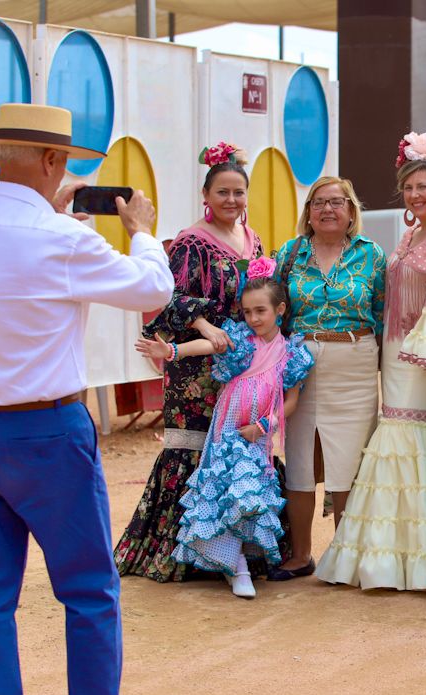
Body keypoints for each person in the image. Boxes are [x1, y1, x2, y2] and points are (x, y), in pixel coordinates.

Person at [0, 104, 171, 695]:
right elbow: (151, 287)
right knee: (88, 588)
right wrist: (143, 232)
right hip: (47, 431)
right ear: (52, 163)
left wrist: (53, 210)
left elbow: (11, 265)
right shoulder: (63, 243)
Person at [316, 132, 426, 590]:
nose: (415, 194)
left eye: (423, 186)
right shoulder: (413, 233)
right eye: (408, 187)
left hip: (420, 355)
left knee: (402, 432)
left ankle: (403, 558)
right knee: (406, 437)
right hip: (396, 350)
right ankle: (402, 552)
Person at [114, 142, 264, 583]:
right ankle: (183, 552)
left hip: (240, 360)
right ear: (206, 193)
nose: (232, 201)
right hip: (196, 366)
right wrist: (204, 327)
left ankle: (234, 549)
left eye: (239, 192)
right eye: (223, 192)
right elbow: (167, 295)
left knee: (234, 447)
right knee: (194, 447)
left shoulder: (252, 238)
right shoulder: (189, 242)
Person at [136, 266, 314, 598]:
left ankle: (243, 559)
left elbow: (290, 402)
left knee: (248, 489)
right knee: (225, 487)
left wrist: (263, 426)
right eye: (247, 312)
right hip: (227, 426)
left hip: (257, 433)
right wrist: (171, 352)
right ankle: (236, 566)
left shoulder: (292, 353)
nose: (253, 318)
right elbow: (207, 346)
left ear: (280, 310)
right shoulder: (240, 338)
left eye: (261, 311)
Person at [271, 177, 387, 580]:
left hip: (354, 363)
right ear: (308, 211)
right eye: (318, 202)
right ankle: (301, 555)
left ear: (351, 210)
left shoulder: (372, 256)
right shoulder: (289, 253)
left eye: (337, 202)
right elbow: (274, 310)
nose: (327, 210)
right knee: (300, 459)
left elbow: (382, 314)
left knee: (347, 464)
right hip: (300, 366)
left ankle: (345, 555)